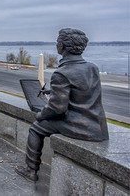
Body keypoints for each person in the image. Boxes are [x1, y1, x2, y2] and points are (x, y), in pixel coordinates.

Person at [15, 28, 109, 182]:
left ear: (63, 46)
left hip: (79, 125)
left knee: (36, 128)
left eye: (58, 41)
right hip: (97, 126)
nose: (57, 44)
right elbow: (82, 90)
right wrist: (54, 90)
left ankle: (30, 170)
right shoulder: (92, 68)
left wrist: (40, 114)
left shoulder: (62, 73)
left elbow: (57, 109)